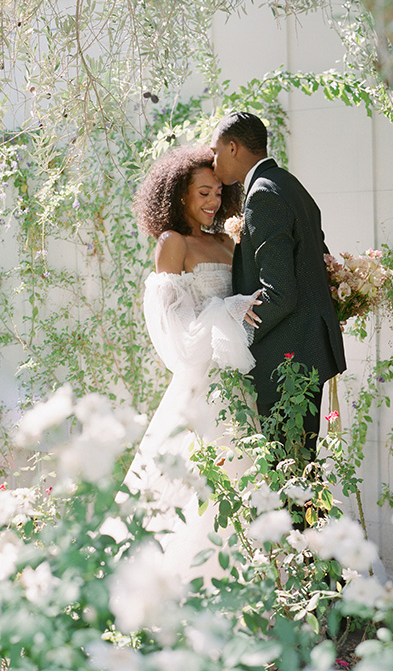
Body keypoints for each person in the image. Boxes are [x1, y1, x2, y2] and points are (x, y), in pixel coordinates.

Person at [121, 145, 261, 580]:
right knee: (198, 477)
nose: (212, 202)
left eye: (219, 193)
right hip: (202, 382)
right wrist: (229, 310)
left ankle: (257, 576)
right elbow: (174, 333)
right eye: (203, 192)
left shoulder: (226, 240)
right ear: (179, 193)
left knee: (250, 473)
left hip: (243, 375)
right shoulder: (172, 244)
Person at [210, 112, 347, 457]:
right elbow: (319, 256)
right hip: (305, 350)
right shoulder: (289, 184)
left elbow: (280, 294)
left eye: (215, 152)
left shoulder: (263, 194)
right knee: (300, 472)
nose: (213, 162)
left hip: (287, 359)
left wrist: (237, 336)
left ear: (233, 147)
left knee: (287, 474)